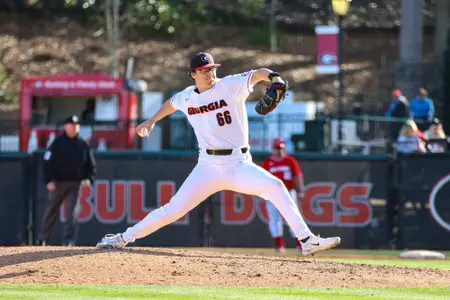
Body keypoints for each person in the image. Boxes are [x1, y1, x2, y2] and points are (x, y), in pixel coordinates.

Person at [96, 52, 341, 256]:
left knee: (276, 187)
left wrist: (274, 77)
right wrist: (150, 121)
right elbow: (171, 103)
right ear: (193, 74)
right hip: (208, 166)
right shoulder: (187, 97)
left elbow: (258, 73)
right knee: (172, 210)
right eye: (204, 70)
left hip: (238, 164)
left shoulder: (230, 85)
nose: (210, 73)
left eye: (212, 68)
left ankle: (306, 240)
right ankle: (121, 238)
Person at [36, 115, 96, 246]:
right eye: (71, 125)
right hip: (58, 182)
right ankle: (42, 239)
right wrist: (48, 180)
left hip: (75, 183)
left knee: (72, 213)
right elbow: (47, 161)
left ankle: (68, 241)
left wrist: (88, 178)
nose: (74, 127)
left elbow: (90, 164)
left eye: (76, 125)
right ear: (65, 126)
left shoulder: (82, 143)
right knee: (51, 210)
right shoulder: (57, 142)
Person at [261, 137, 304, 254]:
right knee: (274, 220)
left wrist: (300, 191)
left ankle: (299, 244)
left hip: (288, 192)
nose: (278, 150)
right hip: (272, 194)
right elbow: (262, 180)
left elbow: (297, 176)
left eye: (280, 148)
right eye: (276, 148)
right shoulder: (267, 162)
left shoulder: (290, 160)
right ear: (272, 148)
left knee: (293, 218)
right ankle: (279, 245)